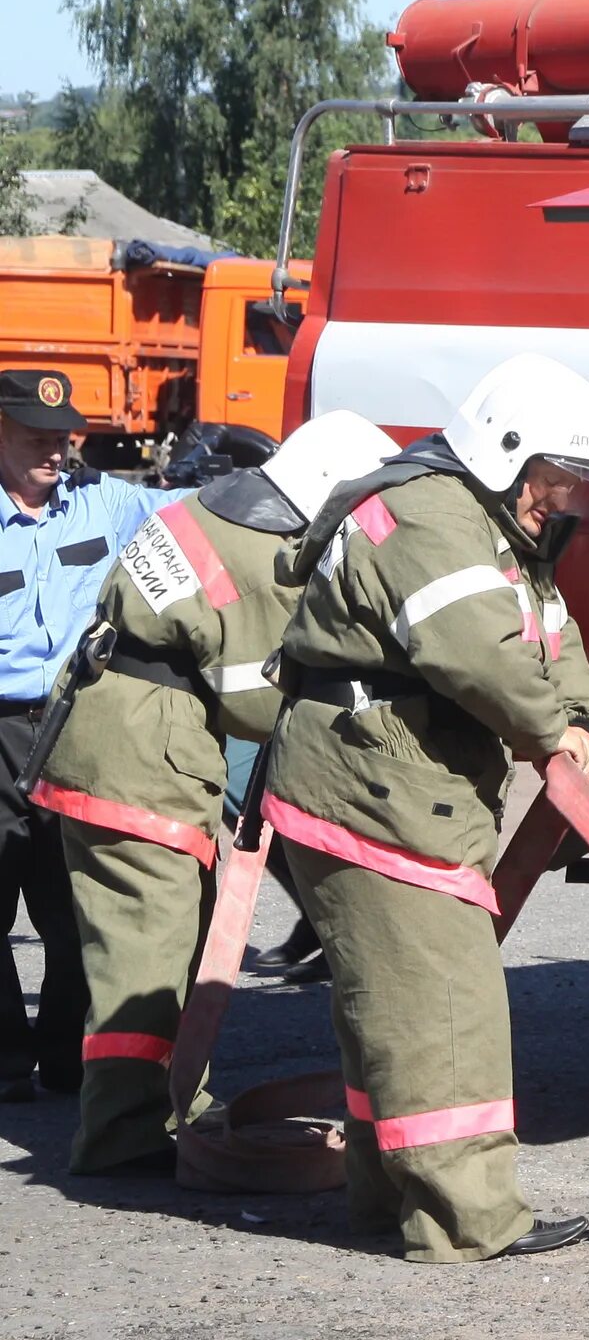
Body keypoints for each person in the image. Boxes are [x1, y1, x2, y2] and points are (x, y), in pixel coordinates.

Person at [265, 353, 589, 1262]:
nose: (567, 499)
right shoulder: (433, 519)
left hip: (392, 788)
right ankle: (467, 1219)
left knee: (393, 1005)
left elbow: (549, 632)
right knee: (443, 1002)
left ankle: (395, 1202)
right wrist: (550, 730)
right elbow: (483, 656)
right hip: (371, 791)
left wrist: (583, 722)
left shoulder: (491, 530)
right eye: (559, 477)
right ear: (507, 453)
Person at [44, 411, 401, 1174]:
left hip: (115, 732)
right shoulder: (262, 551)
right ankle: (120, 1140)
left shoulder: (210, 507)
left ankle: (155, 1111)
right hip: (140, 753)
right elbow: (252, 697)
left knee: (158, 943)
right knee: (149, 955)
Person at [0, 371, 175, 1105]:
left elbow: (206, 516)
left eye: (62, 435)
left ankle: (68, 1060)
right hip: (0, 724)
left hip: (79, 722)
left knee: (76, 903)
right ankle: (7, 1064)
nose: (53, 447)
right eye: (36, 435)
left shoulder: (109, 500)